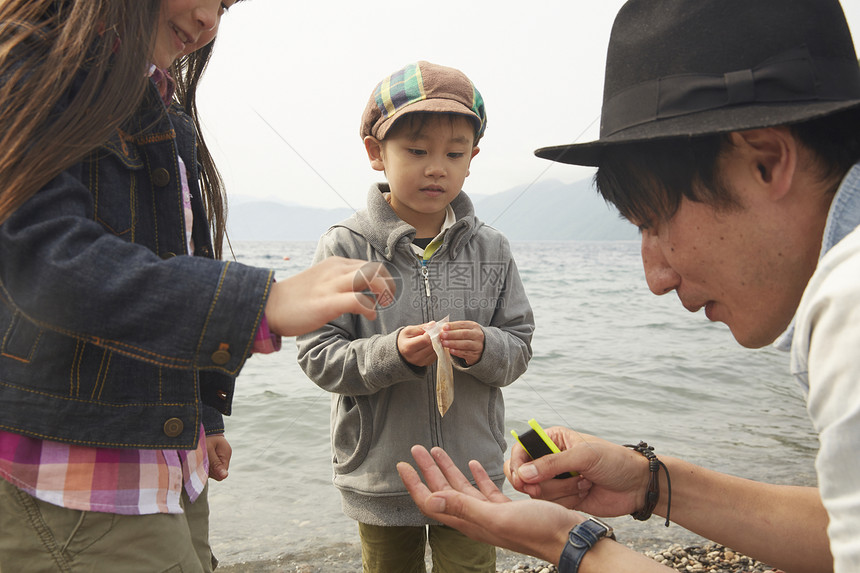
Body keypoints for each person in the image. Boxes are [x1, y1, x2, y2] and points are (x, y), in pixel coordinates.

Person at [396, 1, 860, 572]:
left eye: (653, 221)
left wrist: (568, 544)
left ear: (765, 160)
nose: (655, 279)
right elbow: (844, 533)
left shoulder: (851, 303)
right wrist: (650, 483)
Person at [0, 2, 392, 572]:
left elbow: (177, 262)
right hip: (66, 474)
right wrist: (264, 300)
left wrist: (205, 416)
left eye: (226, 5)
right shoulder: (33, 64)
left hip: (167, 461)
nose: (209, 19)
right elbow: (48, 264)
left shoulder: (161, 110)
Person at [296, 60, 535, 573]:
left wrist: (487, 347)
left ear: (472, 159)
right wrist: (394, 353)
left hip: (472, 470)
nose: (436, 167)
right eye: (417, 150)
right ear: (375, 153)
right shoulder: (346, 246)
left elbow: (518, 347)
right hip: (384, 472)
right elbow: (318, 355)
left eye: (453, 153)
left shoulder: (491, 248)